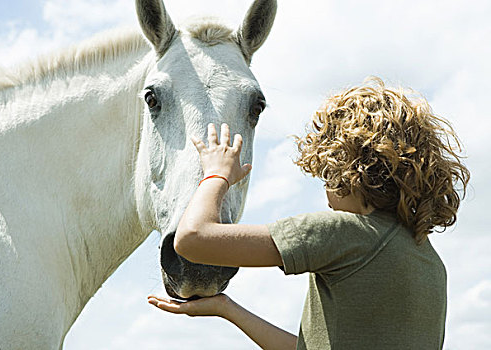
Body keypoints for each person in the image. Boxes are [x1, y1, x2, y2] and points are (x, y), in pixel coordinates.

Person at [147, 77, 470, 349]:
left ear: (349, 171)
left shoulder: (346, 233)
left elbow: (193, 239)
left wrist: (216, 175)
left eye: (326, 174)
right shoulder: (425, 259)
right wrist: (226, 308)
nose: (326, 194)